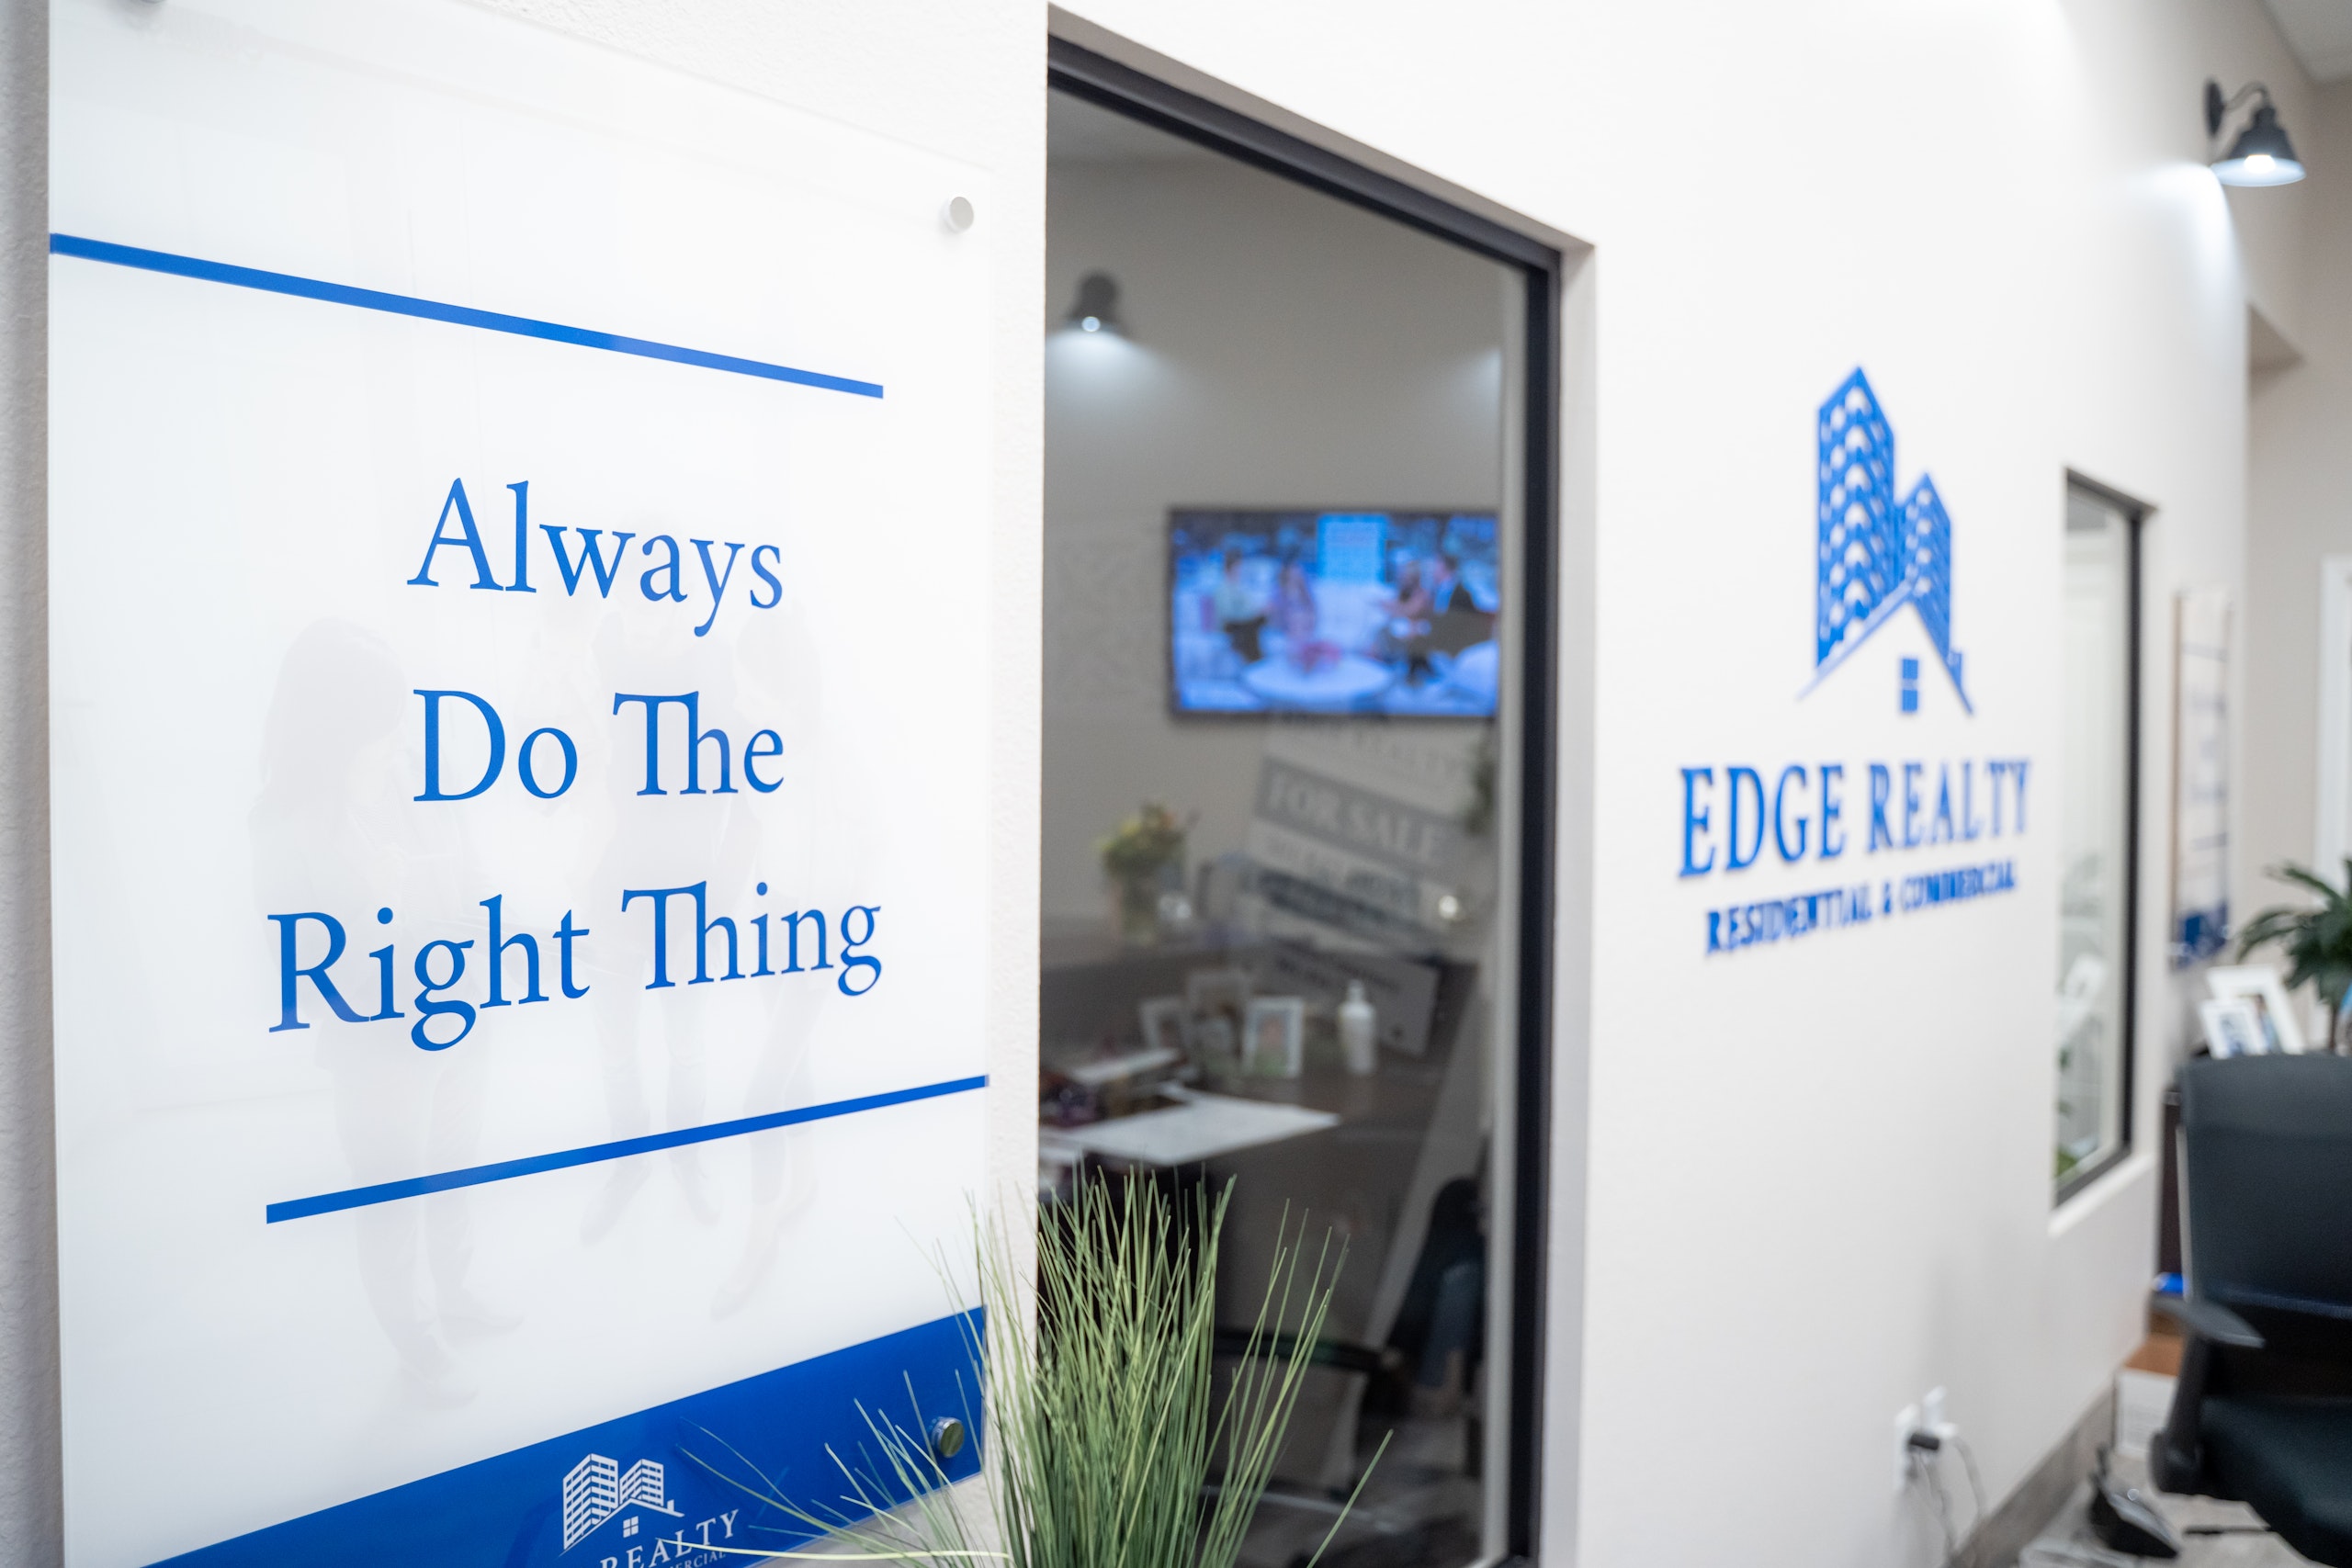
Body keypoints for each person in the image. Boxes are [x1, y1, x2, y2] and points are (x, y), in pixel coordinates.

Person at [1213, 547, 1266, 664]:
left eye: (1240, 567)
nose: (1240, 570)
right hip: (1231, 623)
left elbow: (1248, 606)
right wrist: (1250, 614)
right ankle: (1254, 658)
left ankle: (1255, 657)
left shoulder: (1241, 586)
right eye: (1237, 567)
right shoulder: (1223, 588)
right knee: (1250, 625)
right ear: (1229, 569)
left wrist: (1258, 611)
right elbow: (1227, 612)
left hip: (1245, 619)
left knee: (1261, 619)